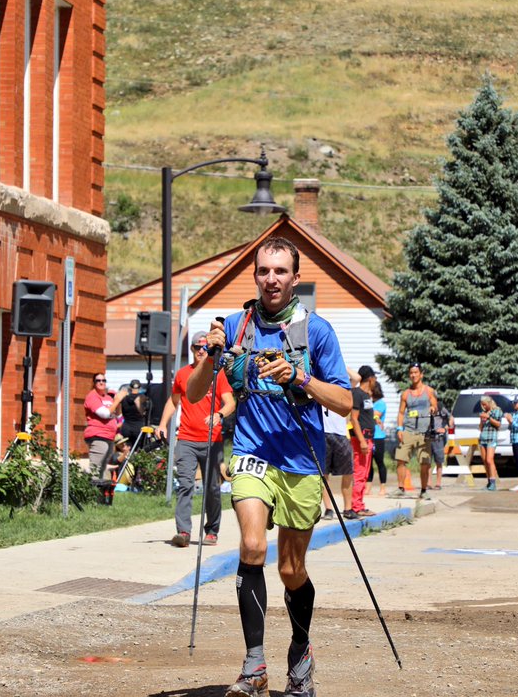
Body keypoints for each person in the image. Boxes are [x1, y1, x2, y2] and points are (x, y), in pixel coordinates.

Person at [187, 236, 351, 697]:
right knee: (253, 546)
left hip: (301, 460)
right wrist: (212, 355)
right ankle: (254, 664)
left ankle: (300, 651)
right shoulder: (235, 326)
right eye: (264, 271)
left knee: (290, 570)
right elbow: (197, 393)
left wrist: (300, 377)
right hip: (252, 452)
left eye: (281, 271)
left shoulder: (317, 331)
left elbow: (343, 401)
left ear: (295, 278)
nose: (271, 278)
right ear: (255, 275)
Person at [157, 331, 236, 548]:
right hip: (186, 439)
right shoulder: (183, 374)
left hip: (213, 441)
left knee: (212, 487)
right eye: (196, 347)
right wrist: (162, 424)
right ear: (191, 350)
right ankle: (183, 532)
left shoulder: (218, 375)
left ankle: (212, 530)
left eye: (204, 347)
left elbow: (230, 403)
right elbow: (173, 402)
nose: (201, 351)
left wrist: (219, 414)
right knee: (185, 484)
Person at [395, 363, 437, 500]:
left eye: (416, 372)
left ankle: (424, 490)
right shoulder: (406, 394)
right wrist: (399, 428)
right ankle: (401, 488)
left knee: (424, 462)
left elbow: (435, 405)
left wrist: (432, 409)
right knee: (401, 458)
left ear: (421, 374)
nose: (413, 375)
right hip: (408, 430)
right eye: (411, 373)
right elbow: (401, 413)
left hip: (424, 432)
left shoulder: (429, 391)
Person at [349, 365, 377, 517]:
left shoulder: (367, 395)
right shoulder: (358, 394)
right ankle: (356, 506)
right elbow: (354, 418)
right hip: (362, 438)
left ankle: (360, 503)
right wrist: (362, 441)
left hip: (369, 437)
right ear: (370, 378)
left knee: (365, 473)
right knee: (359, 473)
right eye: (375, 378)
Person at [321, 402, 355, 521]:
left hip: (341, 433)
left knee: (348, 471)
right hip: (322, 433)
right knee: (323, 473)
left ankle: (348, 508)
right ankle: (328, 508)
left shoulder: (342, 386)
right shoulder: (316, 384)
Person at [83, 373, 119, 478]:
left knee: (103, 468)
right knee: (95, 468)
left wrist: (118, 401)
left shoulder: (108, 397)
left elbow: (117, 414)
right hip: (98, 435)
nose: (101, 382)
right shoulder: (92, 396)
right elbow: (105, 414)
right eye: (98, 380)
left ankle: (100, 493)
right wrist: (117, 401)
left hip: (109, 436)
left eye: (103, 380)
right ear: (94, 383)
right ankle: (89, 490)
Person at [112, 378, 149, 448]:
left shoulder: (124, 398)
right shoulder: (142, 398)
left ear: (130, 387)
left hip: (126, 426)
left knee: (127, 449)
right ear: (139, 387)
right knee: (139, 450)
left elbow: (119, 413)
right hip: (139, 427)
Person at [367, 382, 389, 497]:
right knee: (368, 463)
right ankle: (368, 487)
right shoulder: (369, 402)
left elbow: (374, 414)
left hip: (378, 437)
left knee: (379, 462)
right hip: (369, 436)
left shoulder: (380, 403)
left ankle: (382, 487)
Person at [476, 396, 502, 491]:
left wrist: (489, 417)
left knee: (489, 460)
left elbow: (498, 424)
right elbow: (480, 428)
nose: (483, 406)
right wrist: (482, 421)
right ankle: (489, 483)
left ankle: (493, 483)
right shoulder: (484, 413)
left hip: (491, 438)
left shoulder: (497, 410)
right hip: (483, 438)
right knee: (485, 461)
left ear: (489, 403)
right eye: (482, 404)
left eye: (484, 404)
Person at [429, 402, 453, 490]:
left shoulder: (440, 407)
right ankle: (428, 483)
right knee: (427, 462)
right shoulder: (425, 407)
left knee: (439, 461)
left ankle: (438, 484)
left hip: (438, 438)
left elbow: (450, 418)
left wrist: (445, 428)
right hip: (427, 437)